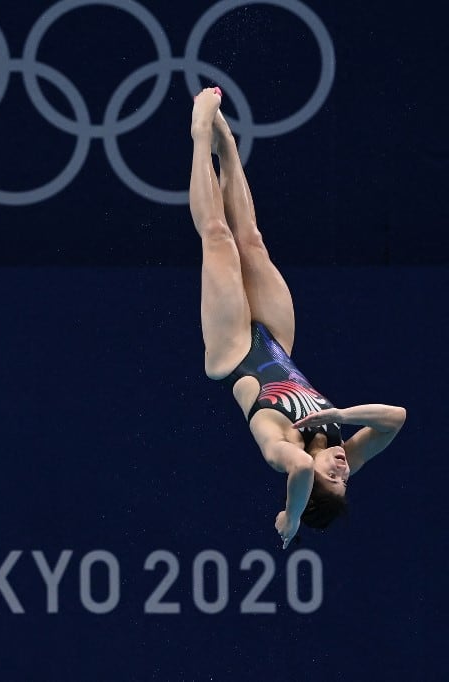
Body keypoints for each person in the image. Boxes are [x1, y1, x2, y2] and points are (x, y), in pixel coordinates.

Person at [188, 87, 406, 548]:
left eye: (333, 481)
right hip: (276, 343)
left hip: (232, 354)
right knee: (251, 240)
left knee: (218, 239)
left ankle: (199, 132)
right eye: (345, 481)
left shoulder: (282, 450)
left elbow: (303, 468)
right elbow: (396, 418)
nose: (340, 472)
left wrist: (290, 516)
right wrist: (343, 416)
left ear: (306, 491)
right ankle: (225, 143)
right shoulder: (342, 444)